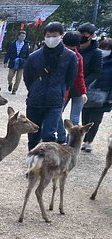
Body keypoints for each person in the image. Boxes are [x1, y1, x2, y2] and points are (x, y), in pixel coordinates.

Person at [23, 22, 78, 150]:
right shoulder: (34, 57)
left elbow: (70, 79)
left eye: (54, 35)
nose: (51, 38)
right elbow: (28, 78)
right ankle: (33, 161)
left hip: (55, 102)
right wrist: (34, 89)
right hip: (35, 101)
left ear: (61, 36)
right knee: (33, 136)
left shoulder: (70, 56)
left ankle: (47, 164)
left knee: (48, 134)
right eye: (48, 35)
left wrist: (60, 91)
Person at [81, 38, 112, 152]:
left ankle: (89, 142)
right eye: (103, 48)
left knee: (95, 120)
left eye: (108, 49)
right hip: (88, 92)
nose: (105, 51)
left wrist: (110, 97)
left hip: (103, 96)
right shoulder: (93, 58)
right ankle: (84, 139)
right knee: (85, 117)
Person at [56, 31, 88, 143]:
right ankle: (64, 138)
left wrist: (83, 92)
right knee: (59, 114)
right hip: (69, 89)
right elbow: (80, 76)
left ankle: (67, 140)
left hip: (71, 89)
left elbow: (79, 75)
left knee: (68, 116)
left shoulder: (75, 57)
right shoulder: (76, 56)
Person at [78, 23, 104, 151]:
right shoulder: (77, 48)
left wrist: (83, 83)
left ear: (92, 36)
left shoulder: (96, 53)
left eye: (85, 35)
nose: (82, 37)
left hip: (89, 88)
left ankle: (87, 140)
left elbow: (96, 72)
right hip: (74, 85)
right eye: (81, 34)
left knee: (90, 115)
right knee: (84, 113)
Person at [4, 30, 31, 94]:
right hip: (13, 62)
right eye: (21, 36)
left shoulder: (26, 45)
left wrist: (28, 63)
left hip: (22, 63)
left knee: (18, 78)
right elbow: (8, 53)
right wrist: (5, 62)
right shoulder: (13, 44)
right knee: (10, 76)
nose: (23, 37)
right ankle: (10, 84)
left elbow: (28, 55)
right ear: (18, 36)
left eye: (24, 36)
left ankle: (14, 90)